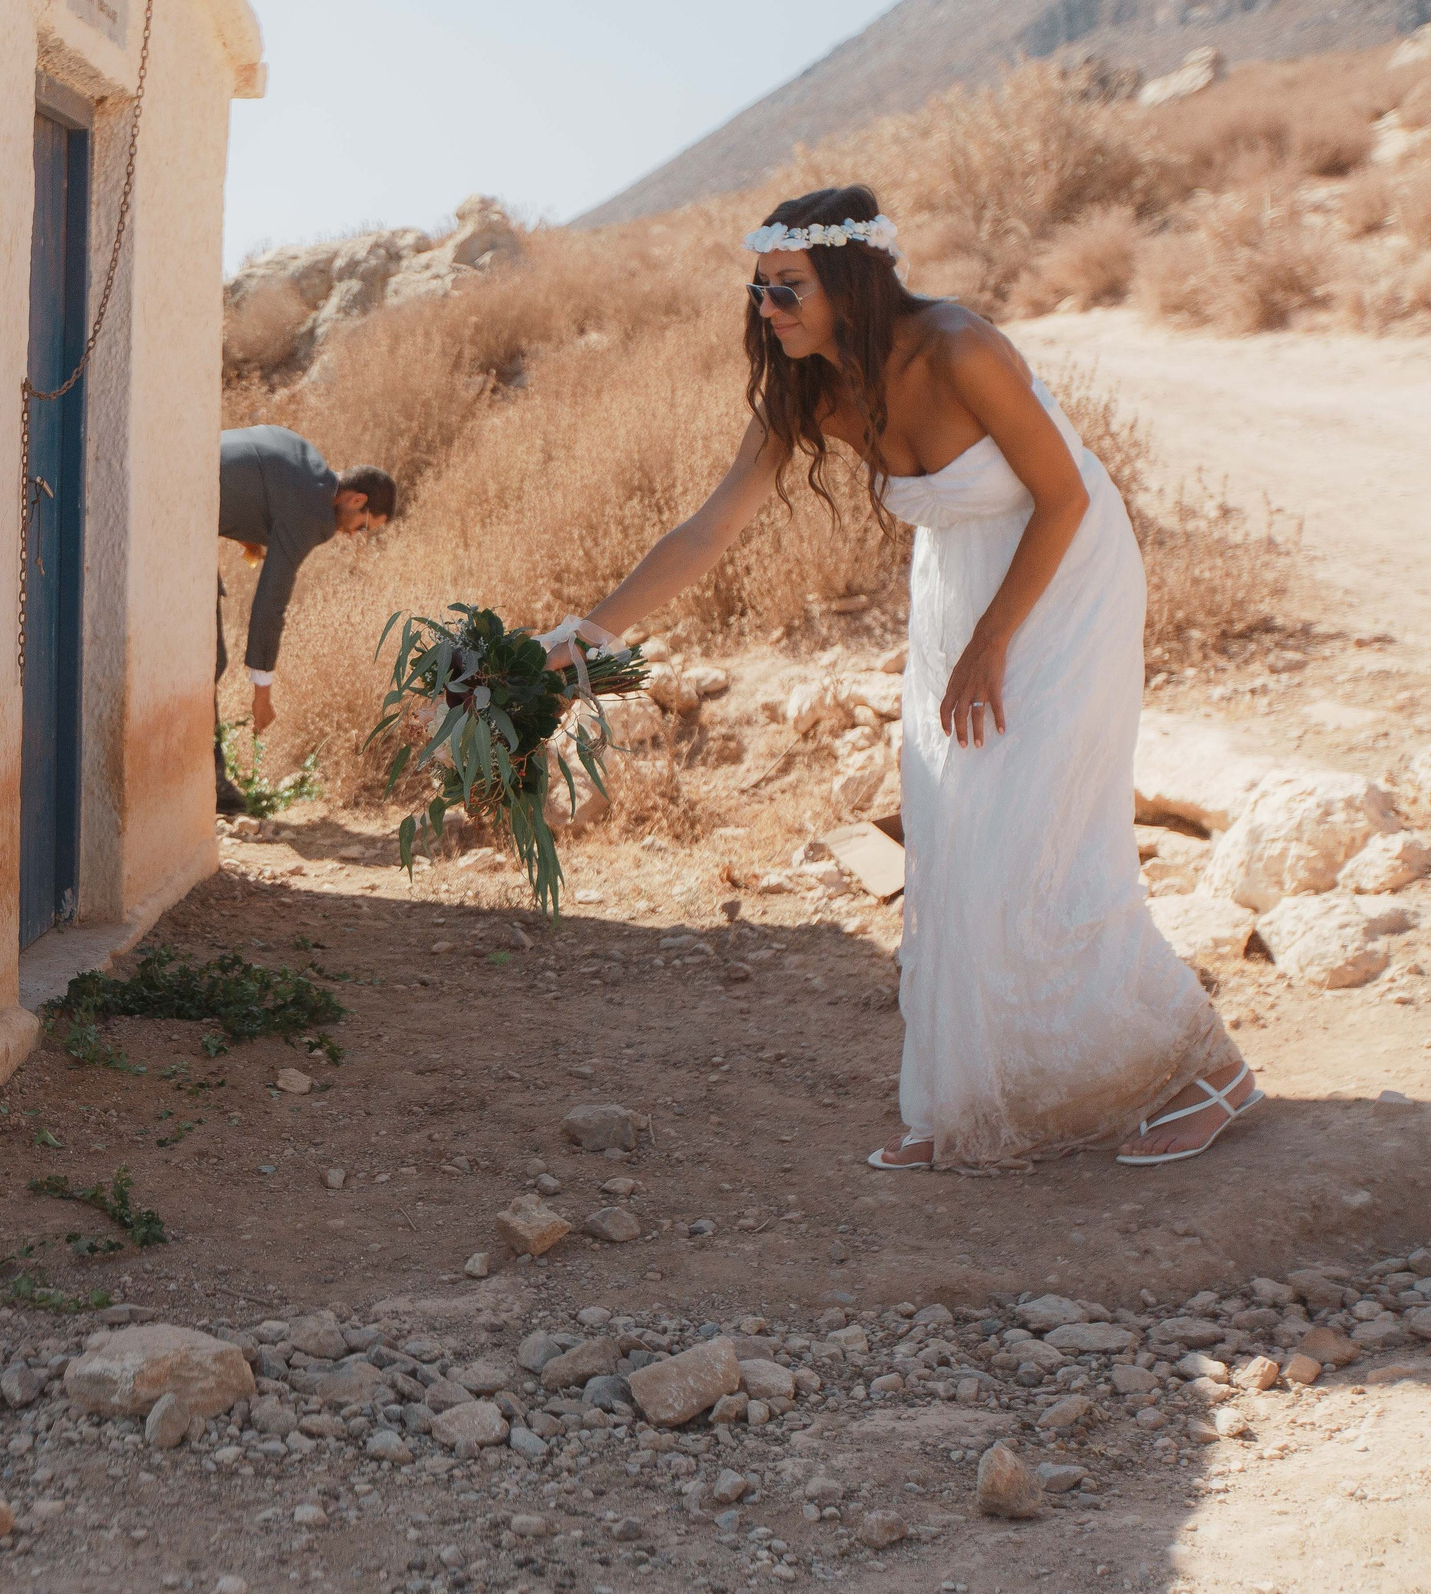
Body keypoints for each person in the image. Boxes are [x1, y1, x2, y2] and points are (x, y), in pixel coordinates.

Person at [535, 185, 1259, 1171]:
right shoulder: (807, 389)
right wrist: (585, 633)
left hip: (1062, 575)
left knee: (1037, 837)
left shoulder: (957, 346)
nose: (768, 310)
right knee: (958, 839)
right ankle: (984, 1104)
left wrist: (993, 641)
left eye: (787, 288)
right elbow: (709, 530)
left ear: (849, 280)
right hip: (960, 586)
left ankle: (1204, 1068)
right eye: (759, 291)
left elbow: (1066, 497)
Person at [215, 426, 395, 814]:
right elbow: (270, 602)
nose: (354, 535)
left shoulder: (305, 457)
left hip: (171, 474)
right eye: (363, 525)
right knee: (210, 658)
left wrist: (247, 529)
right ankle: (209, 783)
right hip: (173, 512)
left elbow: (249, 472)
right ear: (355, 499)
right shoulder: (315, 515)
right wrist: (262, 691)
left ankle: (210, 780)